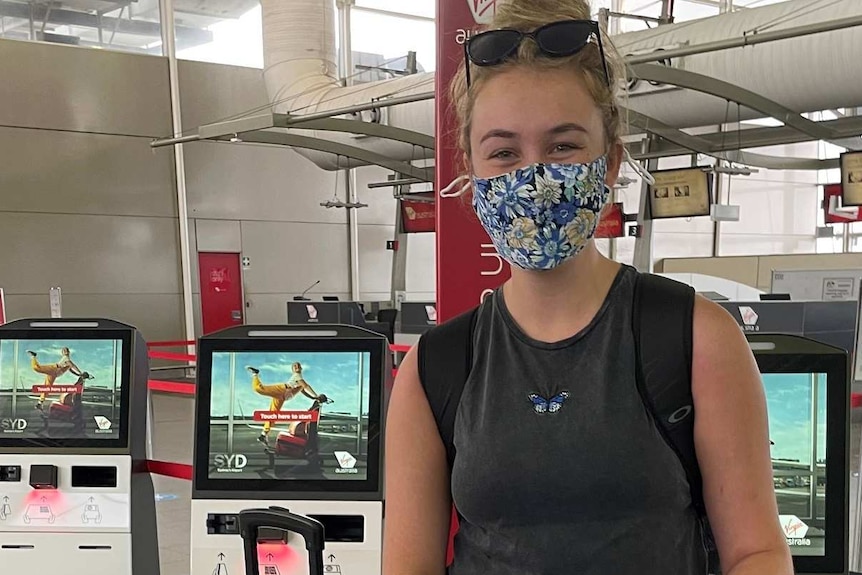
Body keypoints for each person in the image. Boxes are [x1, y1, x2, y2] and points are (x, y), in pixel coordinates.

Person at [382, 1, 792, 574]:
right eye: (503, 153)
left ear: (611, 163)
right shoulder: (439, 368)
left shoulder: (694, 339)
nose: (532, 176)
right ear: (472, 176)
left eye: (563, 146)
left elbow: (756, 552)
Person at [247, 362, 321, 445]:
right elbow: (306, 386)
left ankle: (264, 434)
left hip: (282, 396)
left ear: (301, 368)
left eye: (298, 365)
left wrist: (313, 398)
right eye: (294, 366)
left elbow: (304, 390)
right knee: (258, 389)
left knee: (273, 414)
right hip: (282, 390)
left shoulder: (299, 380)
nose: (296, 366)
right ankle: (255, 374)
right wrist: (316, 396)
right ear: (293, 370)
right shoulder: (297, 376)